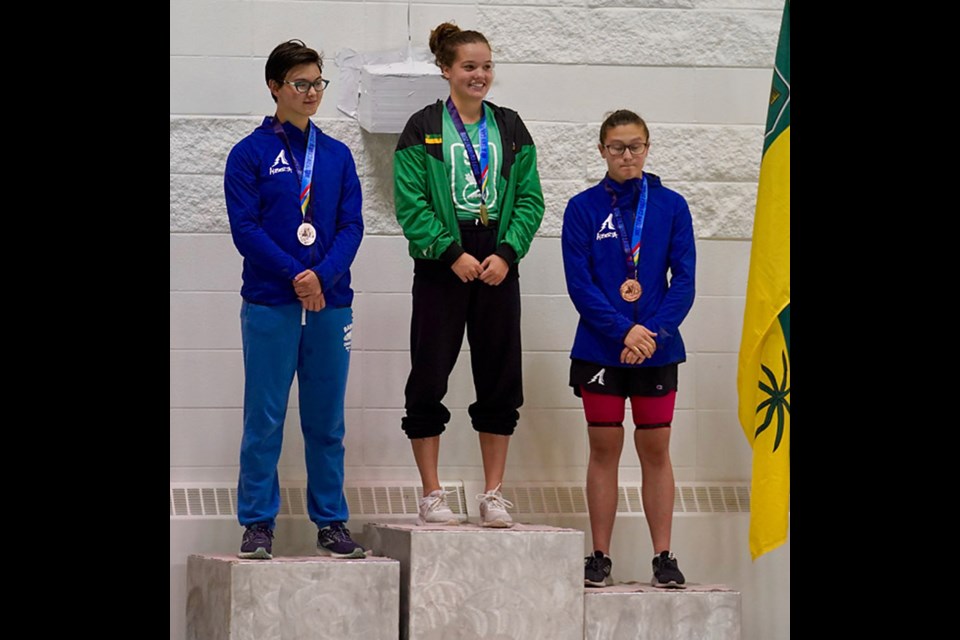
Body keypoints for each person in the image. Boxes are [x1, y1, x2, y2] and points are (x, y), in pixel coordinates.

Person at [393, 22, 545, 528]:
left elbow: (529, 198)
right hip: (444, 262)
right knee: (430, 372)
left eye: (486, 66)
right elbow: (410, 203)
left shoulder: (511, 126)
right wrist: (448, 251)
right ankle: (432, 494)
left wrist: (507, 251)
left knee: (500, 374)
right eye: (468, 66)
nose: (479, 75)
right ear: (446, 70)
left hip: (498, 261)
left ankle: (494, 493)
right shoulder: (422, 126)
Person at [223, 39, 365, 560]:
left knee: (326, 419)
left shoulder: (337, 155)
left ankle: (331, 522)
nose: (310, 93)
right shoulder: (250, 154)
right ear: (275, 87)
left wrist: (321, 278)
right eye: (300, 84)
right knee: (264, 417)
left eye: (317, 84)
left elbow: (352, 226)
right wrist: (296, 275)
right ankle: (258, 523)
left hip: (331, 302)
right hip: (270, 301)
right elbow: (246, 229)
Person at [561, 110, 695, 588]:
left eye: (635, 146)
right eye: (617, 147)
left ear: (648, 147)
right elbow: (581, 284)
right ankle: (599, 555)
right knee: (604, 446)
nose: (627, 155)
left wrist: (652, 333)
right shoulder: (582, 208)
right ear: (601, 151)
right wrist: (623, 331)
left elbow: (684, 281)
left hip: (657, 349)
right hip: (601, 348)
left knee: (656, 447)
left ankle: (663, 557)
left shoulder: (671, 206)